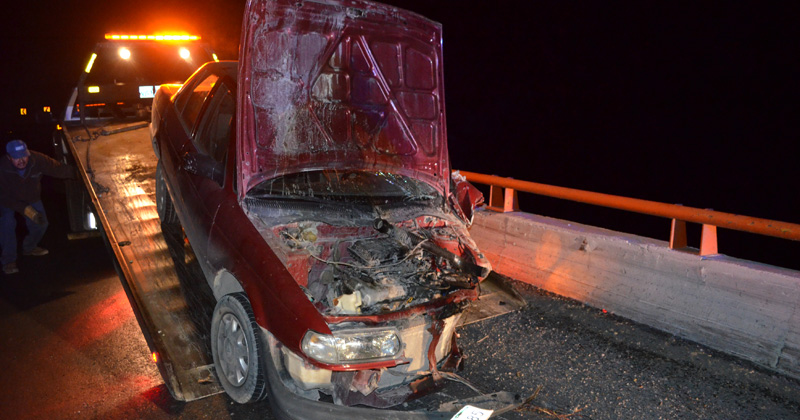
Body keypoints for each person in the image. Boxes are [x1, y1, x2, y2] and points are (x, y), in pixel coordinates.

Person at [1, 140, 74, 274]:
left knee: (41, 223)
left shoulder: (37, 159)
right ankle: (9, 260)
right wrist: (25, 210)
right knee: (7, 225)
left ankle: (29, 248)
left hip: (31, 197)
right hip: (8, 200)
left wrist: (82, 174)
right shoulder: (2, 168)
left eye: (24, 156)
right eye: (16, 158)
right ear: (9, 157)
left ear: (28, 153)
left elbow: (58, 169)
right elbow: (3, 197)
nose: (21, 160)